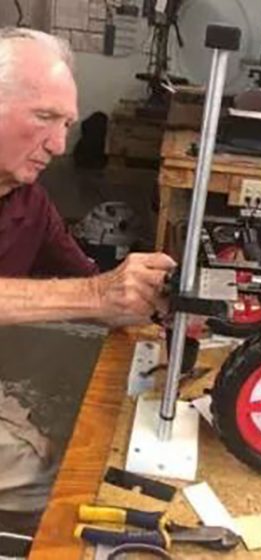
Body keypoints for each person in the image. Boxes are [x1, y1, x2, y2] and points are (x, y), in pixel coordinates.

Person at [0, 27, 176, 534]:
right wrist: (97, 294)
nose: (59, 144)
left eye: (66, 123)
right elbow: (91, 292)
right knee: (58, 479)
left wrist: (155, 300)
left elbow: (90, 281)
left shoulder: (28, 201)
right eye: (44, 118)